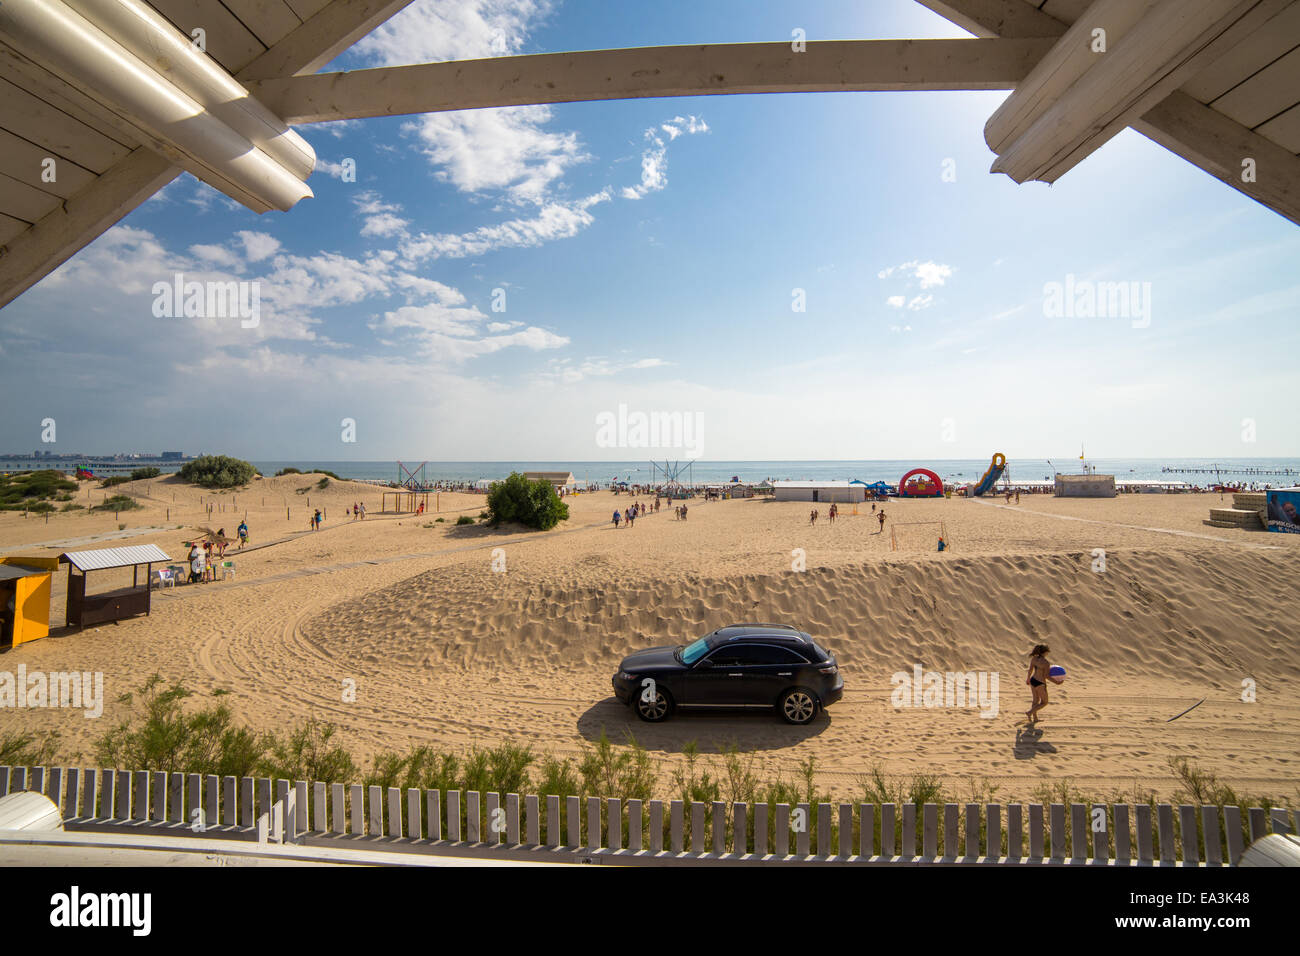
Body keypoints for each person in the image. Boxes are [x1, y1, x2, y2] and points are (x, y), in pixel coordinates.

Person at [1025, 644, 1053, 723]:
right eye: (1047, 652)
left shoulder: (1034, 659)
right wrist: (1057, 682)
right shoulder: (1046, 663)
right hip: (1040, 682)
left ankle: (1035, 718)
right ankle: (1030, 712)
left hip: (1033, 680)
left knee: (1035, 700)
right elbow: (1046, 675)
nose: (1048, 654)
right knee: (1044, 702)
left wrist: (1028, 679)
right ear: (1045, 652)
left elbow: (1030, 670)